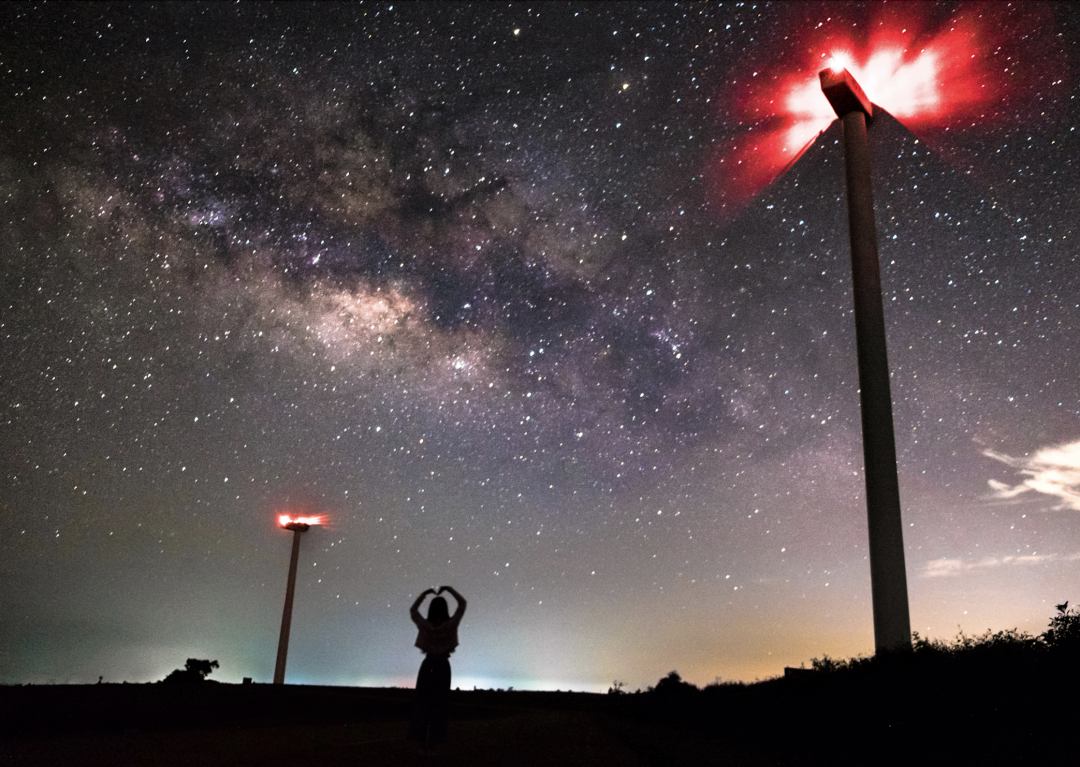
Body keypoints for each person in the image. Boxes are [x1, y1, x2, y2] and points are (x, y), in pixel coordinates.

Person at [407, 585, 467, 753]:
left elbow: (413, 611)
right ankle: (437, 742)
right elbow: (462, 604)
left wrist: (424, 594)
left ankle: (419, 741)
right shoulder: (451, 625)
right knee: (440, 705)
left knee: (422, 703)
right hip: (442, 666)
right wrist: (449, 590)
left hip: (428, 666)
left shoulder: (425, 626)